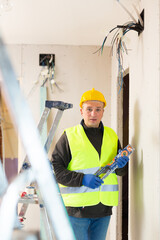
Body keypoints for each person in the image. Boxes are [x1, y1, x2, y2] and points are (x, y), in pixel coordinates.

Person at [51, 88, 129, 240]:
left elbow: (120, 172)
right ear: (81, 111)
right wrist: (82, 179)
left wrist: (122, 165)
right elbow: (58, 171)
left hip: (103, 210)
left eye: (98, 109)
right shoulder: (69, 136)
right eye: (89, 109)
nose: (93, 114)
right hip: (77, 211)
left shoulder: (112, 136)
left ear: (103, 112)